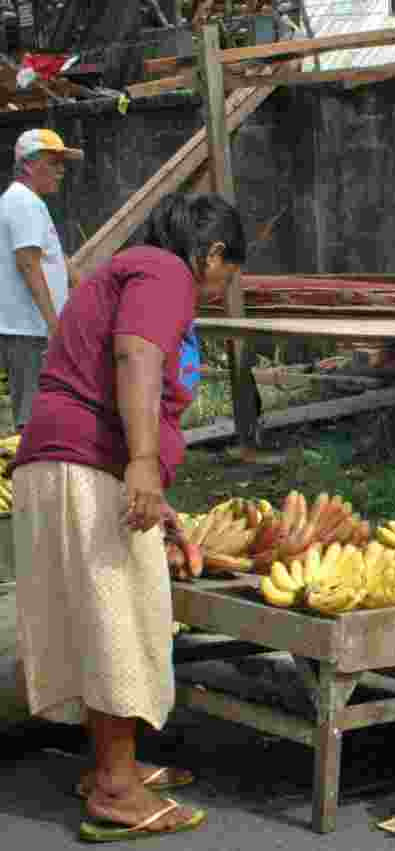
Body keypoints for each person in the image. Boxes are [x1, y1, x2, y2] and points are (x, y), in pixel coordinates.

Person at [11, 192, 246, 840]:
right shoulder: (165, 272)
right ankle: (116, 788)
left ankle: (113, 767)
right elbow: (135, 357)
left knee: (101, 617)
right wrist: (143, 461)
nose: (225, 287)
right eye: (229, 272)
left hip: (68, 459)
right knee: (121, 618)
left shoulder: (132, 271)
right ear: (214, 252)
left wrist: (150, 481)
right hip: (87, 462)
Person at [0, 128, 82, 430]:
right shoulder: (24, 203)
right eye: (55, 161)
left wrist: (83, 286)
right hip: (29, 329)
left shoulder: (29, 202)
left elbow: (54, 256)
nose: (62, 171)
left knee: (40, 411)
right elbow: (28, 264)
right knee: (32, 418)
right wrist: (54, 324)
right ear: (30, 164)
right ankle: (29, 475)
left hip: (32, 328)